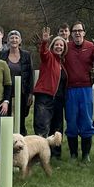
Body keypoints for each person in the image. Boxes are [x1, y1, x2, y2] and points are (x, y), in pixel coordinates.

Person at [63, 21, 94, 162]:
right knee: (71, 121)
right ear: (71, 33)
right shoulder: (66, 47)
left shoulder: (90, 46)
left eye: (80, 30)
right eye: (74, 30)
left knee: (86, 121)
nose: (77, 33)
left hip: (86, 89)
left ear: (84, 32)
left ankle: (86, 154)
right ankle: (73, 154)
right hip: (70, 90)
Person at [33, 27, 68, 157]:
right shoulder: (49, 58)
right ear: (52, 46)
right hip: (45, 97)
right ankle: (39, 155)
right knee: (42, 127)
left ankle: (55, 154)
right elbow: (43, 52)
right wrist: (44, 42)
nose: (59, 47)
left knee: (57, 129)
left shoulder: (62, 63)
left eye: (61, 45)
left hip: (59, 100)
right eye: (57, 45)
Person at [3, 30, 34, 136]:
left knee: (20, 119)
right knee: (6, 119)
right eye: (11, 38)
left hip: (22, 92)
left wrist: (30, 93)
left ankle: (22, 144)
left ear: (20, 40)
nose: (14, 40)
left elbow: (31, 74)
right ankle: (7, 142)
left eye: (16, 38)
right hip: (6, 93)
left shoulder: (26, 55)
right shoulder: (2, 55)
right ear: (8, 40)